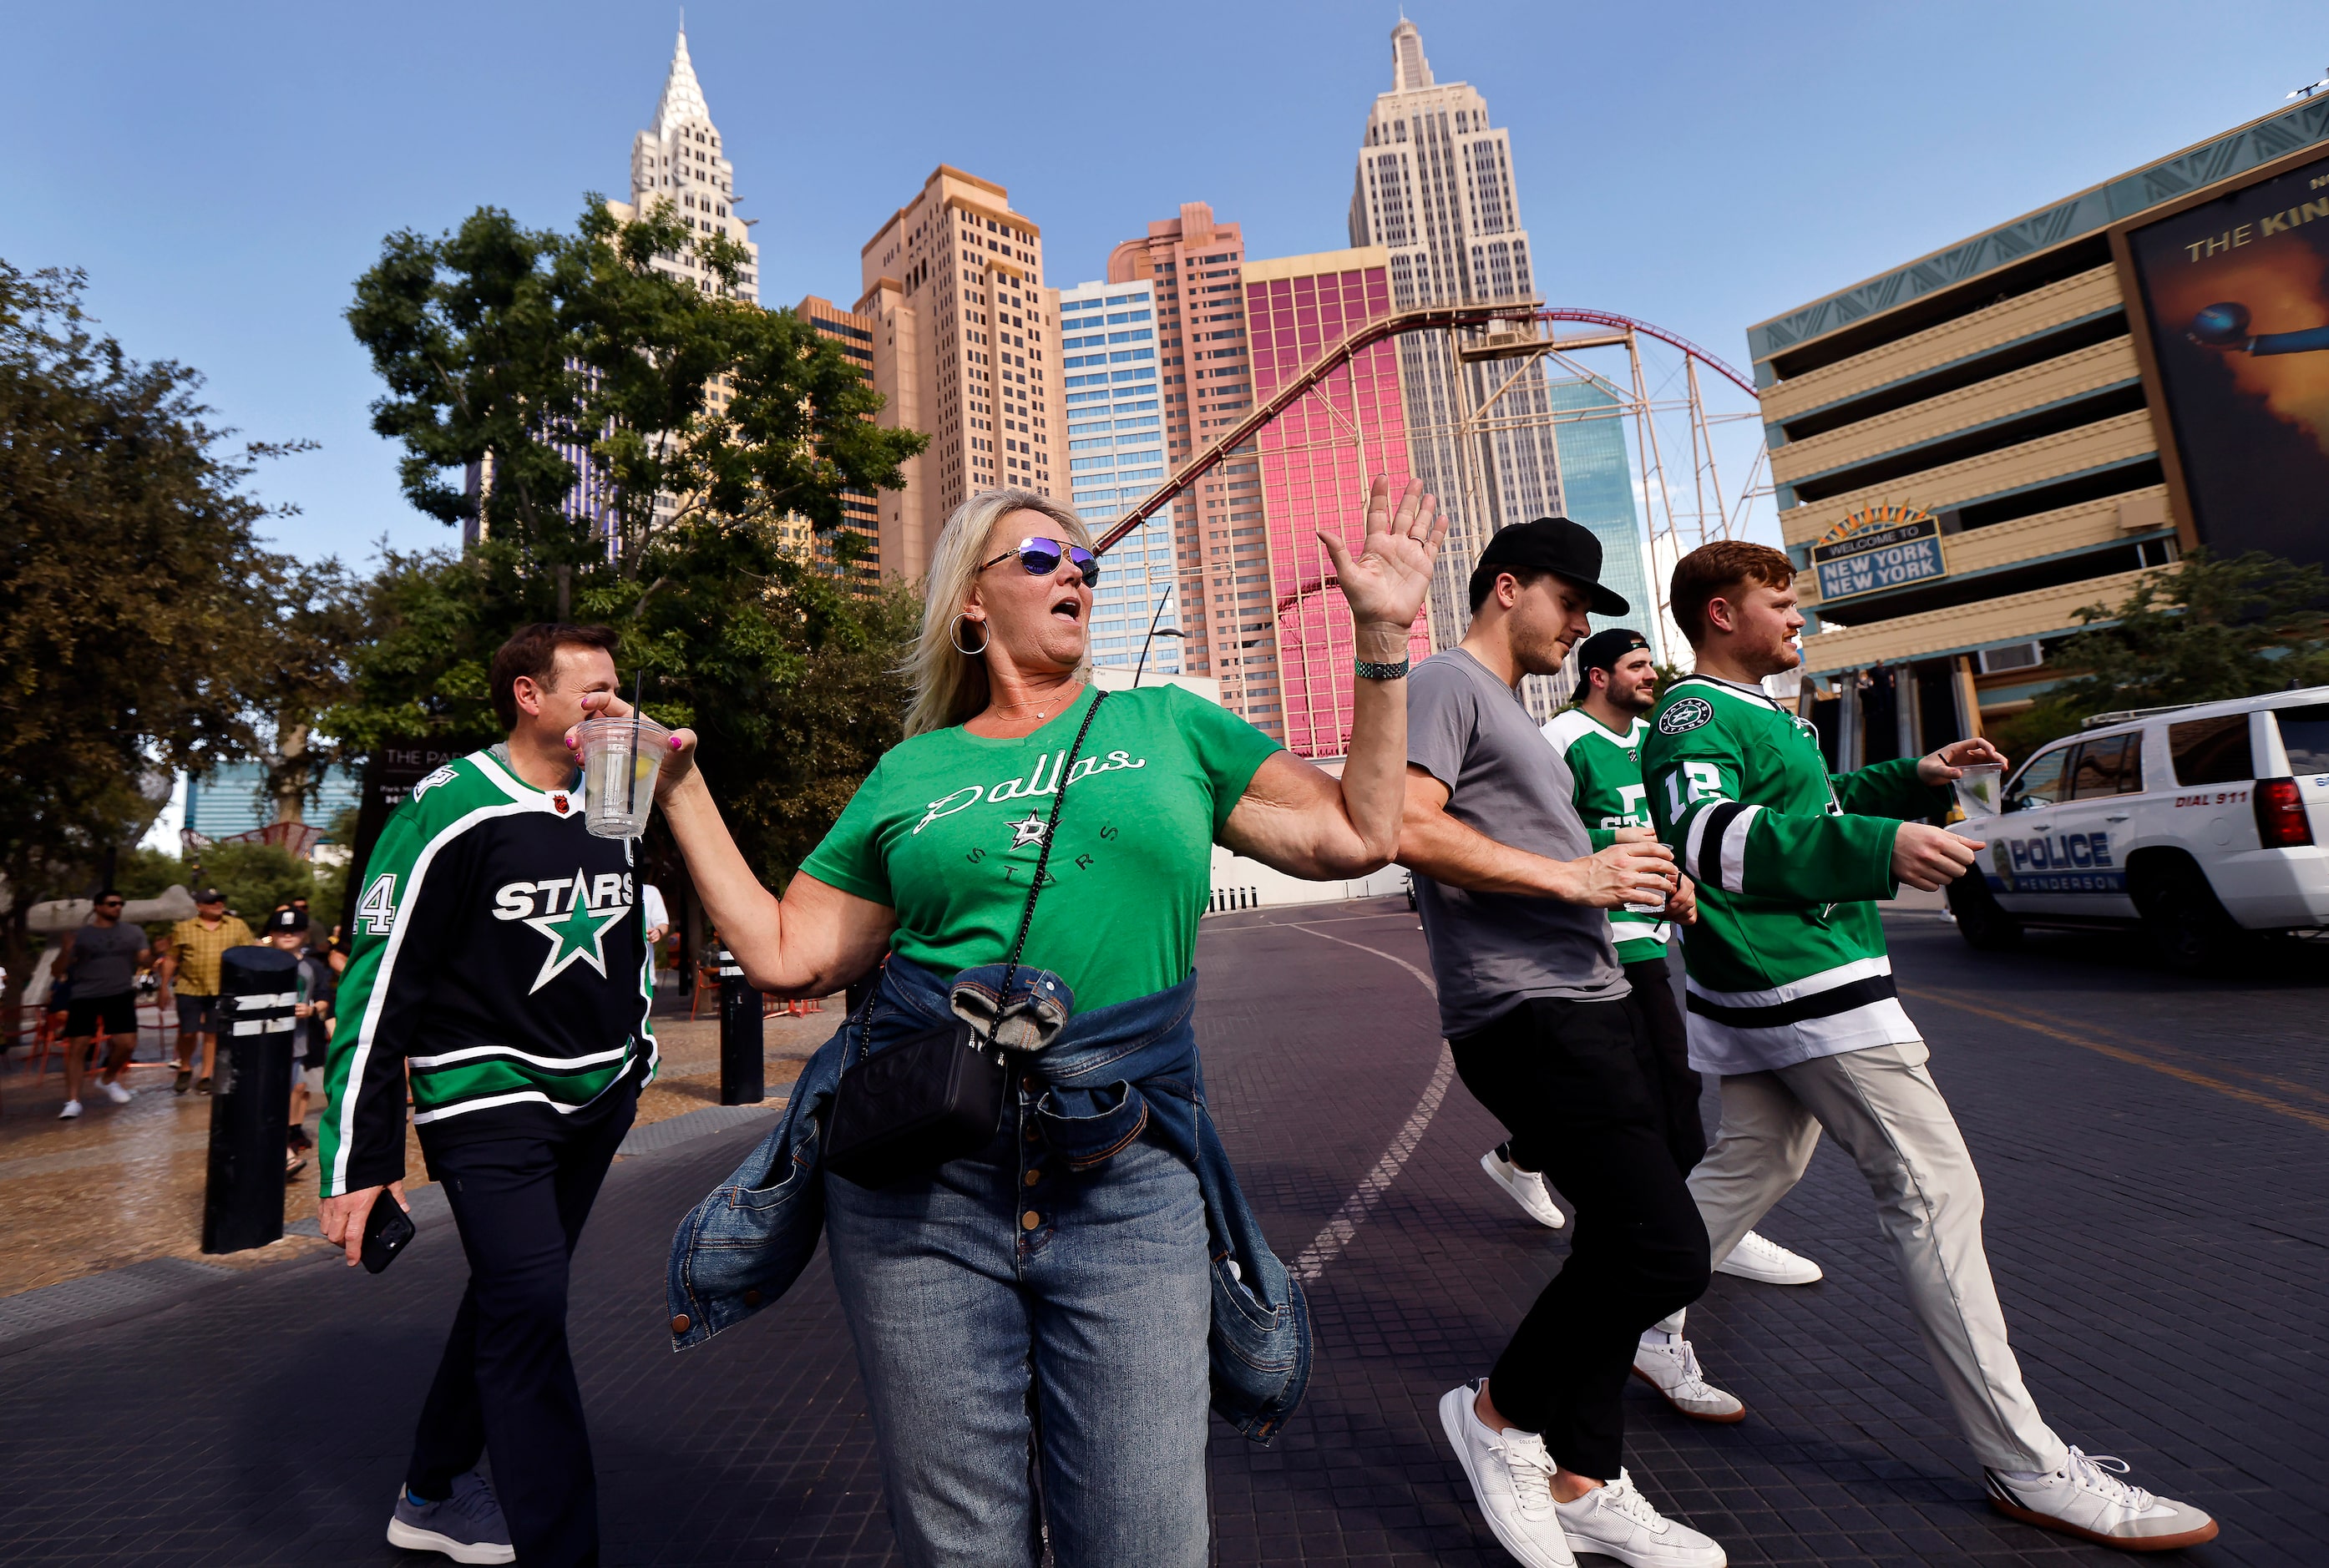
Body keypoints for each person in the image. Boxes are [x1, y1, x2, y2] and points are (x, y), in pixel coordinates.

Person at [636, 481, 1441, 1567]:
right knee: (960, 1547)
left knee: (1143, 1541)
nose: (1075, 571)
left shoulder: (1170, 726)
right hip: (922, 1187)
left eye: (1085, 563)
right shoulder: (912, 769)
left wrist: (1382, 636)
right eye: (1042, 556)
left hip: (1127, 1171)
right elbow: (790, 951)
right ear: (973, 602)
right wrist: (681, 790)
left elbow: (1361, 831)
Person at [1643, 540, 2217, 1553]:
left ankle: (1635, 1325)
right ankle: (2024, 1464)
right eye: (1779, 604)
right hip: (1804, 984)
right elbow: (1704, 838)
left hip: (1777, 982)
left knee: (1752, 1165)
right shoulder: (1692, 712)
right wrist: (1876, 848)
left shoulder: (1761, 713)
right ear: (1720, 614)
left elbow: (1798, 810)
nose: (1796, 621)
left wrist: (1908, 779)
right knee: (1933, 1193)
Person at [1398, 520, 1725, 1568]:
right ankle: (1495, 1421)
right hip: (1523, 1012)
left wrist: (1622, 864)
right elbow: (1407, 826)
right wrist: (1575, 877)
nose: (1581, 625)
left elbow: (1528, 845)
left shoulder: (1511, 713)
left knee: (1618, 1244)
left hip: (1586, 998)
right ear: (1507, 588)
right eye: (1570, 602)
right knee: (1665, 1248)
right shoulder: (1446, 682)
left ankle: (1587, 1480)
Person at [316, 622, 660, 1568]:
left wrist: (635, 1052)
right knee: (531, 1311)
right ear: (527, 696)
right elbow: (378, 983)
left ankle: (430, 1490)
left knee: (514, 1302)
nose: (612, 708)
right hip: (485, 1099)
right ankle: (562, 1548)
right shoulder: (449, 806)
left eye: (616, 691)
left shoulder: (612, 788)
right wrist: (357, 1160)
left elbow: (626, 927)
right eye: (593, 691)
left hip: (596, 1096)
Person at [1534, 630, 1825, 1427]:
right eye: (1635, 667)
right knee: (1654, 1105)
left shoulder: (1658, 741)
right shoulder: (1563, 738)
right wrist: (1616, 847)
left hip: (1651, 942)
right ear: (1599, 677)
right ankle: (1687, 1255)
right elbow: (1533, 839)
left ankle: (1691, 1241)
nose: (1650, 678)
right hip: (1594, 950)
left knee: (1661, 1096)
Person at [55, 890, 151, 1119]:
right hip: (85, 995)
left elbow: (145, 960)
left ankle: (107, 1080)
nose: (117, 907)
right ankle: (72, 1101)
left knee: (127, 1044)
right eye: (111, 904)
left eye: (120, 903)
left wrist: (156, 952)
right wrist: (67, 950)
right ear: (97, 907)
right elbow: (56, 970)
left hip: (119, 993)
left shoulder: (133, 932)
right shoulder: (82, 935)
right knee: (78, 1047)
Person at [157, 888, 255, 1094]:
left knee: (213, 1033)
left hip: (222, 989)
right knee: (188, 1031)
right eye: (212, 902)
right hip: (189, 987)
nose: (218, 904)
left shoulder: (237, 926)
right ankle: (185, 1066)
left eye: (220, 900)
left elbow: (248, 955)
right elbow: (172, 958)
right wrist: (163, 987)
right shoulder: (183, 928)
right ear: (199, 906)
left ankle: (206, 1075)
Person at [265, 908, 334, 1178]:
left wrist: (313, 1009)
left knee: (290, 1092)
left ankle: (282, 1150)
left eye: (294, 930)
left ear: (305, 934)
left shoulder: (313, 965)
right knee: (272, 1097)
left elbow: (324, 996)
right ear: (271, 934)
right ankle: (282, 1154)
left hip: (297, 1042)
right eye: (282, 930)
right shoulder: (260, 962)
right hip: (265, 1041)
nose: (288, 934)